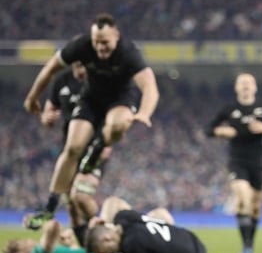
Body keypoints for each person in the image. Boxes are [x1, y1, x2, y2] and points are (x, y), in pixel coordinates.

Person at [22, 13, 159, 230]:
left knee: (117, 125)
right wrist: (32, 98)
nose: (100, 47)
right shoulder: (81, 47)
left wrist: (145, 113)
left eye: (105, 42)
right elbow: (49, 69)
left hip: (120, 98)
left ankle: (97, 150)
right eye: (96, 42)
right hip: (92, 99)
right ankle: (49, 208)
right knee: (72, 147)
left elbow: (150, 86)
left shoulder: (129, 53)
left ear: (116, 36)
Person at [207, 72, 262, 253]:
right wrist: (221, 131)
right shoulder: (229, 109)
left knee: (254, 206)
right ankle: (246, 247)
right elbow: (209, 129)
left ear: (254, 87)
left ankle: (249, 244)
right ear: (237, 87)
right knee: (243, 198)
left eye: (249, 82)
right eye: (242, 82)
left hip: (258, 163)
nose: (245, 85)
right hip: (237, 161)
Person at [40, 60, 111, 246]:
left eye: (85, 66)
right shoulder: (60, 81)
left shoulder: (100, 83)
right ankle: (87, 249)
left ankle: (104, 234)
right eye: (78, 66)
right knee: (72, 206)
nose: (81, 71)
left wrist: (106, 143)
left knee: (80, 196)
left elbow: (111, 114)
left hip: (95, 149)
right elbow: (49, 110)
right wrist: (47, 118)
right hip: (70, 153)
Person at [85, 196, 229, 253]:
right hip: (193, 241)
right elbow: (114, 202)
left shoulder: (132, 244)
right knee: (158, 215)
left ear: (107, 238)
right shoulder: (123, 217)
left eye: (106, 252)